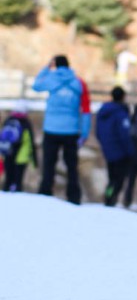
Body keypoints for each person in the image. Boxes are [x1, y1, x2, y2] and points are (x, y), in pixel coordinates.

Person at [32, 55, 90, 204]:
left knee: (48, 164)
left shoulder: (51, 79)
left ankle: (45, 193)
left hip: (51, 129)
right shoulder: (79, 82)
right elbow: (86, 109)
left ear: (55, 65)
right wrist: (84, 133)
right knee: (71, 166)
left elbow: (36, 85)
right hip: (71, 131)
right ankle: (74, 197)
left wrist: (46, 68)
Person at [95, 86, 133, 207]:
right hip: (121, 152)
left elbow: (98, 132)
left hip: (108, 150)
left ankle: (108, 196)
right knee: (119, 180)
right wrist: (131, 151)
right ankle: (111, 199)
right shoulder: (121, 113)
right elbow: (125, 134)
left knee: (111, 179)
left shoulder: (103, 111)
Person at [0, 100, 38, 192]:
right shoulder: (26, 123)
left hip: (8, 153)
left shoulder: (8, 120)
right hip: (21, 156)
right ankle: (17, 197)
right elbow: (30, 142)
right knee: (18, 181)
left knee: (8, 179)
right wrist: (34, 161)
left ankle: (6, 195)